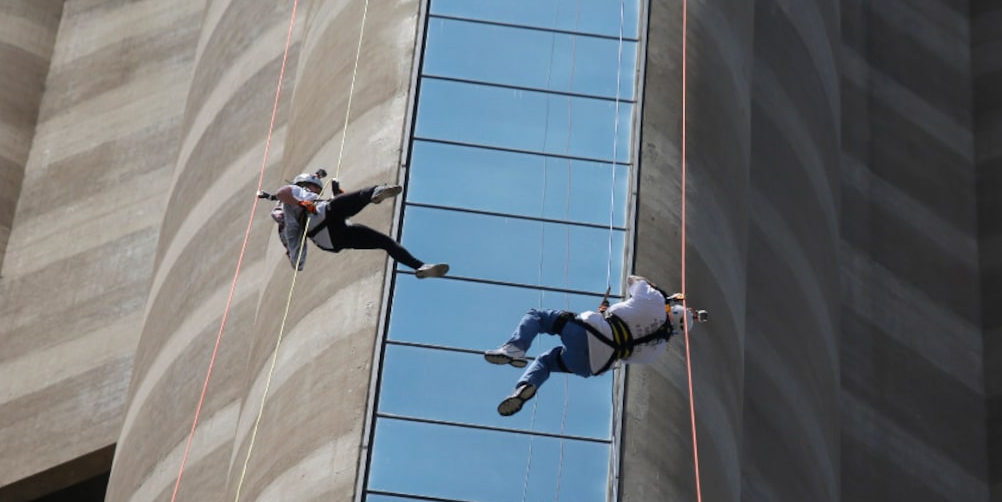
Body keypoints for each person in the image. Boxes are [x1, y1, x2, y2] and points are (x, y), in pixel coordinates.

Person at [485, 275, 704, 416]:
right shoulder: (655, 351)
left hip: (588, 333)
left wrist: (659, 291)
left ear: (672, 310)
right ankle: (523, 387)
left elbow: (632, 280)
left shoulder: (656, 300)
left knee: (539, 317)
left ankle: (515, 347)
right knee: (546, 361)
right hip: (591, 365)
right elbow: (625, 354)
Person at [258, 171, 448, 278]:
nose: (316, 189)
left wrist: (338, 194)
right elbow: (283, 192)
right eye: (314, 185)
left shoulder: (313, 197)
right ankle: (373, 193)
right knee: (343, 204)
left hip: (330, 239)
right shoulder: (296, 192)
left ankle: (420, 267)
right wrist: (301, 203)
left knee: (384, 242)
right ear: (305, 184)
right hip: (320, 219)